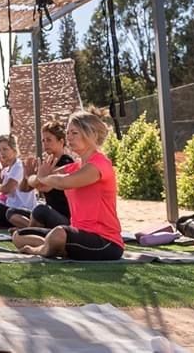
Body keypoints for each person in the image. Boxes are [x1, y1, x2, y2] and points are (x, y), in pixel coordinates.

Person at [12, 110, 124, 261]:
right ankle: (54, 247)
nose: (68, 137)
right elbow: (39, 183)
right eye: (67, 132)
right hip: (76, 233)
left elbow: (64, 182)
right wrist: (36, 177)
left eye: (74, 133)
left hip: (106, 242)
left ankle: (42, 249)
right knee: (19, 236)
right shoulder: (75, 166)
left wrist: (43, 177)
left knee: (58, 233)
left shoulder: (99, 165)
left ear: (91, 135)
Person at [6, 121, 73, 229]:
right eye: (43, 140)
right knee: (11, 212)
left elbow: (44, 187)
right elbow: (24, 188)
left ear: (61, 142)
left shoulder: (66, 162)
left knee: (40, 210)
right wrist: (26, 175)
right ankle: (36, 230)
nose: (45, 143)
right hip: (48, 214)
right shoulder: (46, 163)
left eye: (49, 140)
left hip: (63, 218)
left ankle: (29, 232)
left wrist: (33, 177)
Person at [0, 134, 37, 227]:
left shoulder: (18, 166)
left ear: (14, 150)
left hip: (22, 210)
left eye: (5, 149)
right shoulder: (6, 170)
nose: (2, 153)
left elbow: (7, 189)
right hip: (10, 208)